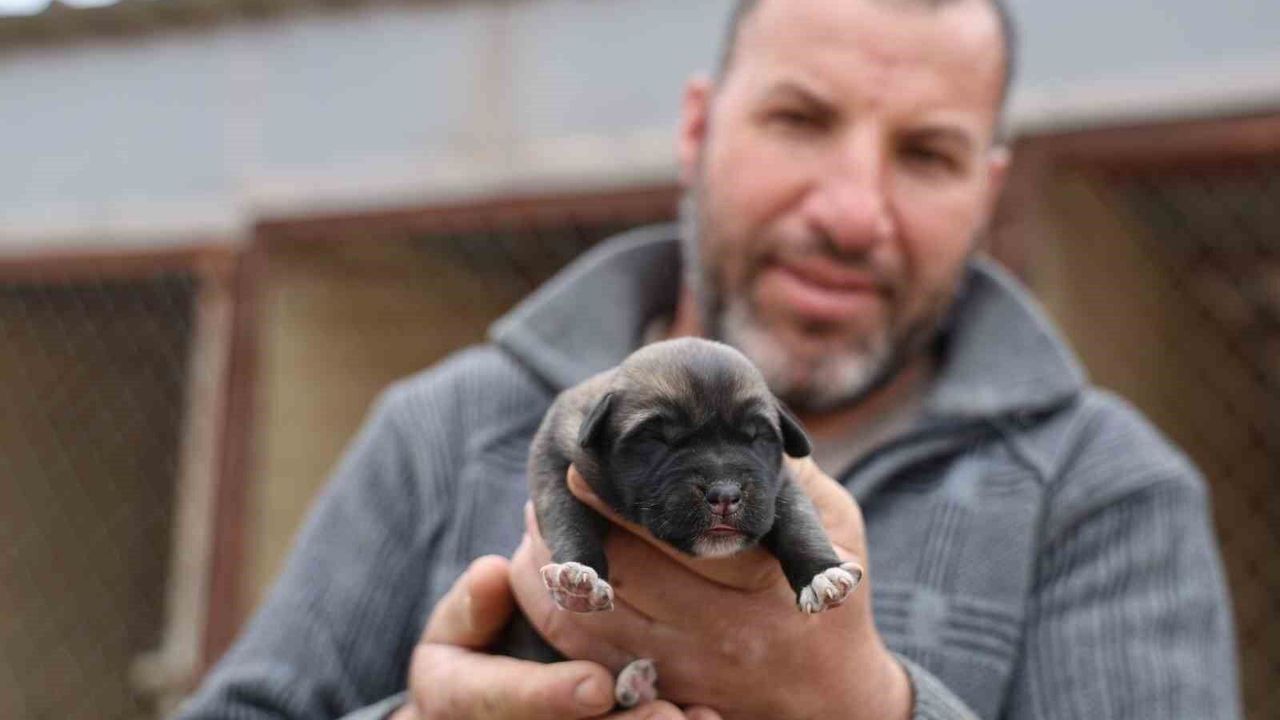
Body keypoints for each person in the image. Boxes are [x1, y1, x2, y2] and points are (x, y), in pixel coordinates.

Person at [177, 0, 1242, 718]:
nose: (851, 212)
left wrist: (867, 707)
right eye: (799, 119)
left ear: (988, 190)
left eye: (926, 153)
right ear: (697, 129)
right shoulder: (447, 426)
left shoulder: (1104, 492)